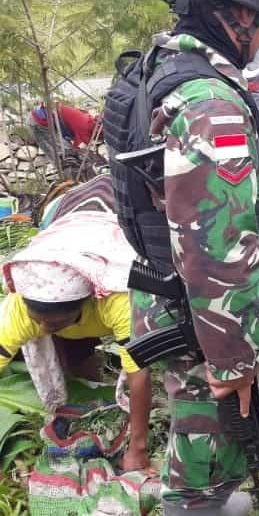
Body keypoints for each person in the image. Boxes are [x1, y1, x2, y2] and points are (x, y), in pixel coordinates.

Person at [105, 0, 259, 514]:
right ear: (239, 14)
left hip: (174, 300)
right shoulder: (209, 102)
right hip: (207, 318)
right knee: (209, 455)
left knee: (197, 438)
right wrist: (235, 363)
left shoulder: (158, 66)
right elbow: (214, 250)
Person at [0, 198, 153, 473]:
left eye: (55, 323)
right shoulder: (18, 310)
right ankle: (95, 406)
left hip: (108, 231)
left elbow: (139, 372)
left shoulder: (118, 299)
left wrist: (138, 448)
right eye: (39, 321)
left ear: (88, 302)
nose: (45, 329)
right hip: (65, 226)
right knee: (70, 355)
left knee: (149, 352)